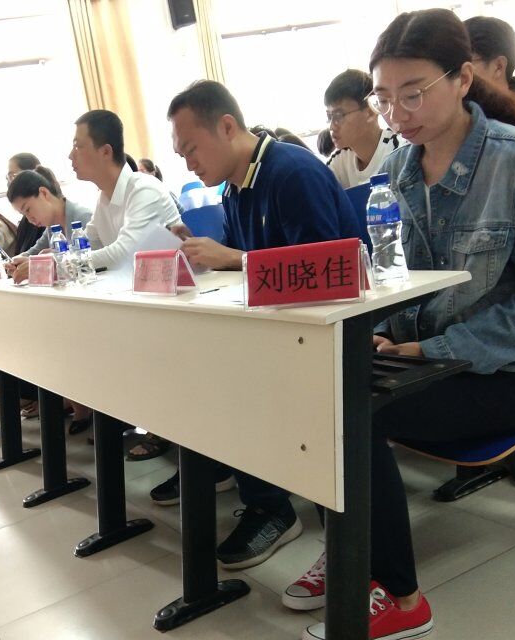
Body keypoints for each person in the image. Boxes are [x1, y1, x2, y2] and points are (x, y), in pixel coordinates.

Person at [292, 10, 515, 640]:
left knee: (352, 418)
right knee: (312, 392)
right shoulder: (399, 169)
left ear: (463, 79)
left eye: (413, 93)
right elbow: (400, 281)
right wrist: (380, 329)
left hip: (511, 370)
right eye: (384, 98)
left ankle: (400, 597)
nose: (397, 113)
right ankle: (353, 546)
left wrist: (432, 347)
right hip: (429, 356)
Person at [167, 79, 362, 570]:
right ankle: (259, 496)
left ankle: (272, 506)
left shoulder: (292, 172)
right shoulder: (237, 187)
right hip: (281, 327)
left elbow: (325, 273)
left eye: (191, 149)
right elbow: (249, 271)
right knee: (195, 368)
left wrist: (232, 258)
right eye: (181, 154)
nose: (188, 164)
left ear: (226, 126)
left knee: (232, 382)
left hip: (331, 333)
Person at [69, 109, 180, 271]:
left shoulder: (144, 190)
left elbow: (125, 254)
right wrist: (56, 256)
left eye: (77, 146)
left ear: (106, 152)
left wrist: (64, 263)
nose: (71, 155)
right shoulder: (104, 198)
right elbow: (85, 245)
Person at [324, 69, 402, 188]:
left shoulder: (399, 150)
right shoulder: (338, 161)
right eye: (329, 117)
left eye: (339, 115)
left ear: (370, 112)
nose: (331, 126)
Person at [6, 152, 44, 255]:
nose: (10, 183)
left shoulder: (47, 220)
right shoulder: (25, 222)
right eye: (8, 178)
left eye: (13, 176)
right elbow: (22, 254)